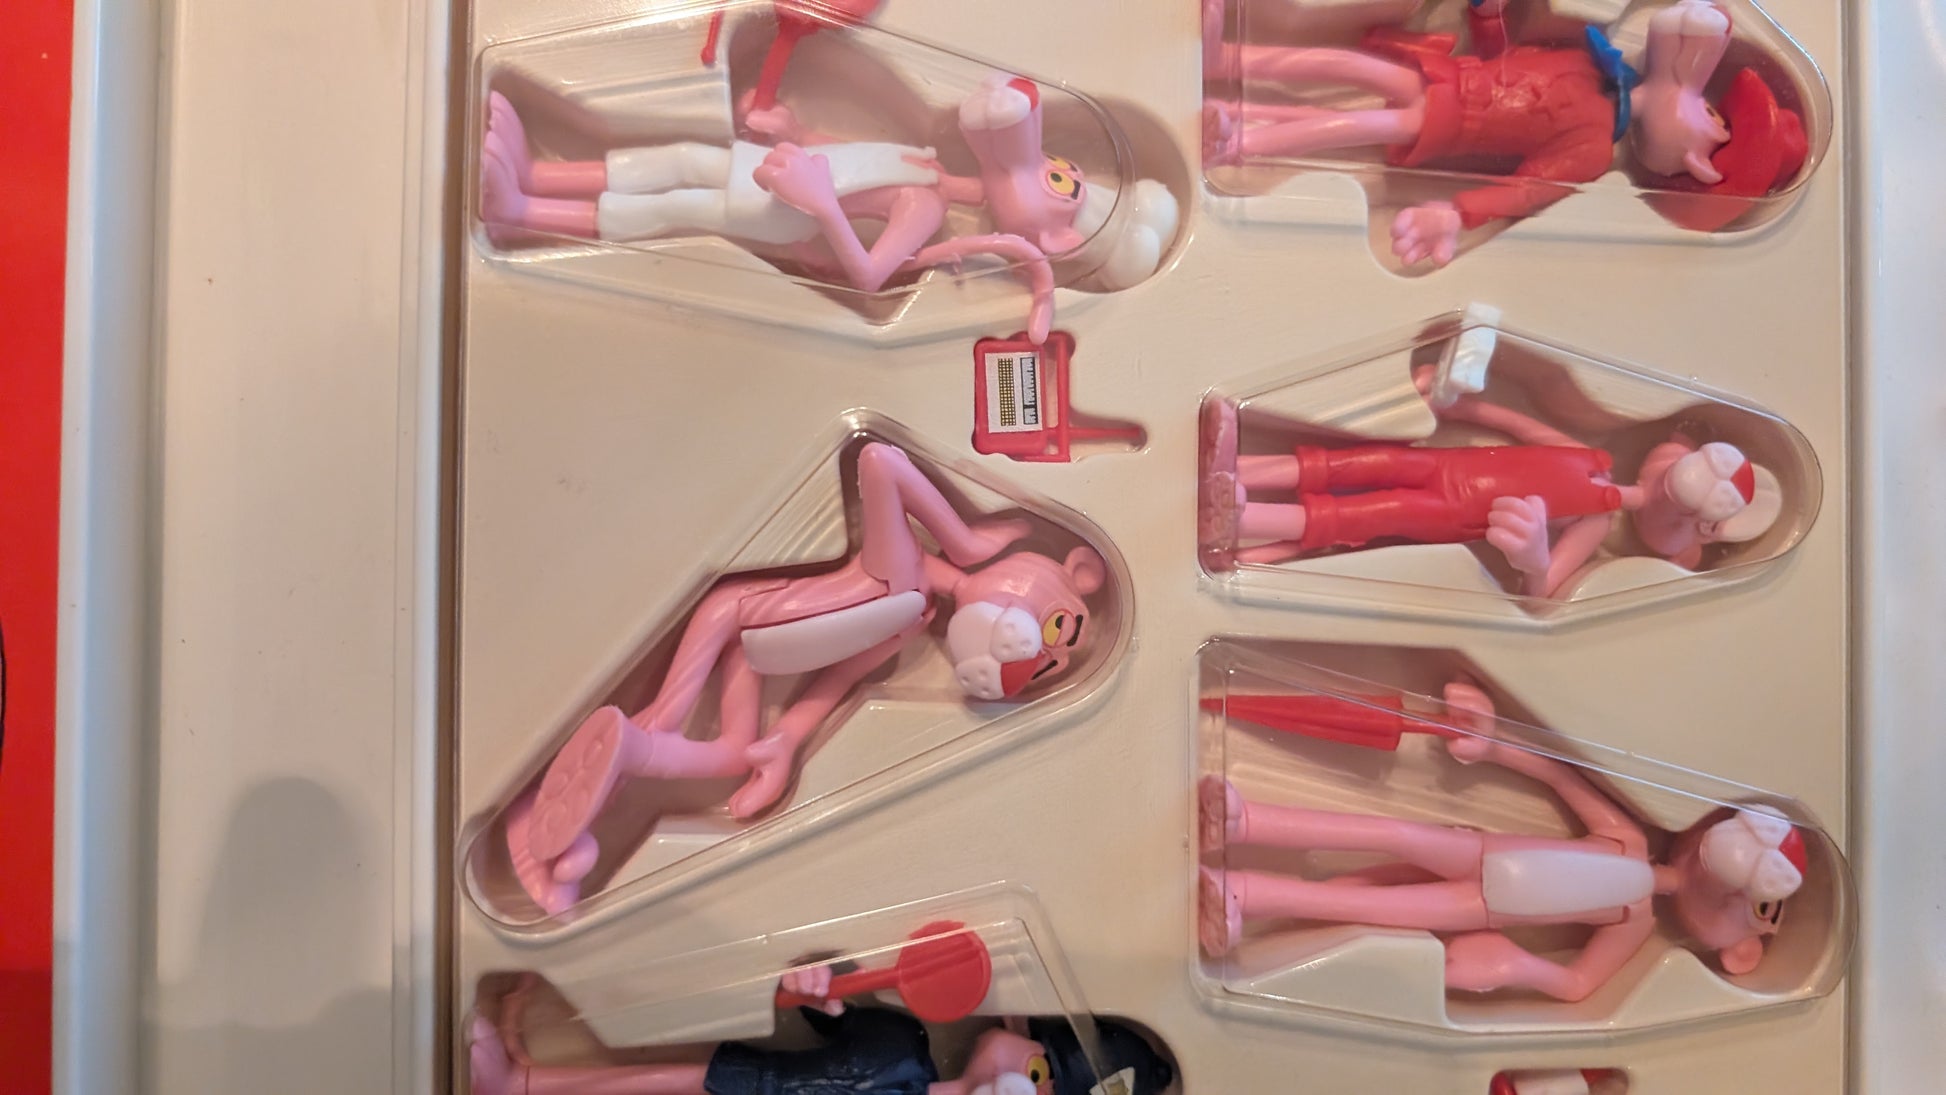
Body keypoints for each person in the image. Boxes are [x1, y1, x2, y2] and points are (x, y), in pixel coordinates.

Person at [510, 442, 1109, 914]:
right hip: (735, 616)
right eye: (1055, 626)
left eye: (1044, 666)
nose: (1033, 654)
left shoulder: (912, 621)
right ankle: (567, 812)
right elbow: (880, 462)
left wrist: (788, 740)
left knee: (732, 754)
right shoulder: (902, 568)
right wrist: (966, 539)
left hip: (753, 654)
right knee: (662, 719)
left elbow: (839, 678)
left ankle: (548, 827)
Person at [1198, 682, 1810, 1001]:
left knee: (1372, 908)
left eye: (1759, 906)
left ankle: (1243, 893)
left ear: (1742, 953)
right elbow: (1559, 776)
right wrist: (1494, 746)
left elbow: (1578, 985)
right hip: (1478, 850)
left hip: (1479, 908)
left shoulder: (1635, 920)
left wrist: (1517, 965)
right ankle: (1246, 821)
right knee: (1389, 832)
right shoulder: (1626, 839)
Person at [1203, 0, 1806, 266]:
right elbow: (1509, 56)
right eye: (1709, 106)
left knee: (1357, 123)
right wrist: (1487, 16)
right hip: (1454, 75)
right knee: (1350, 68)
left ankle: (1241, 142)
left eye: (1710, 121)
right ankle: (1227, 58)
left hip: (1454, 125)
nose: (1697, 99)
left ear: (1692, 164)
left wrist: (1455, 214)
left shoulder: (1591, 152)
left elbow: (1521, 191)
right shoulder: (1593, 60)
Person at [1196, 371, 1782, 597]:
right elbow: (1516, 425)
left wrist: (1533, 556)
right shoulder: (1591, 457)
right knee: (1361, 463)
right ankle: (1241, 469)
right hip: (1449, 464)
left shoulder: (1597, 517)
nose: (1667, 469)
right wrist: (1461, 405)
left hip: (1456, 516)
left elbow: (1542, 588)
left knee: (1375, 513)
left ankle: (1247, 519)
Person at [467, 968, 1175, 1095]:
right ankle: (523, 1081)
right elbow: (832, 1015)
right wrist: (821, 992)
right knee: (657, 1079)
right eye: (1040, 1072)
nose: (1024, 1089)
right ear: (1015, 1024)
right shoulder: (904, 1047)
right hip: (748, 1084)